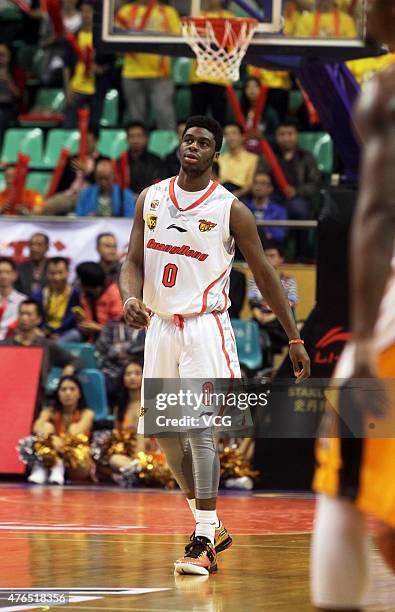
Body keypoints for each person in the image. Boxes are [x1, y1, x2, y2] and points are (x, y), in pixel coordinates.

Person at [120, 114, 310, 575]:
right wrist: (130, 295)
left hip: (206, 326)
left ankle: (203, 540)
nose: (193, 146)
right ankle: (211, 525)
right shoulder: (151, 197)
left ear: (216, 155)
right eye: (188, 139)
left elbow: (265, 274)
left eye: (204, 142)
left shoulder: (230, 209)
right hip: (160, 327)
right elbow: (132, 260)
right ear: (179, 146)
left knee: (198, 431)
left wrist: (294, 334)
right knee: (166, 441)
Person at [311, 3, 395, 610]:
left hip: (391, 330)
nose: (358, 8)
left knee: (341, 489)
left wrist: (362, 339)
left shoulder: (386, 92)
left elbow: (375, 212)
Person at [1, 298, 83, 402]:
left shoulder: (46, 346)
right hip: (7, 396)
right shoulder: (4, 345)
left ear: (38, 319)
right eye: (21, 314)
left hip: (37, 398)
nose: (24, 318)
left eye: (29, 314)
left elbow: (78, 361)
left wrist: (70, 368)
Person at [115, 0, 179, 130]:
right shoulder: (125, 12)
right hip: (132, 73)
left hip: (161, 75)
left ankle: (169, 147)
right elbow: (114, 38)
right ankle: (140, 150)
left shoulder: (168, 12)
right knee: (137, 122)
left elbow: (177, 40)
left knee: (164, 115)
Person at [21, 375, 94, 485]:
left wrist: (58, 441)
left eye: (72, 389)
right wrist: (53, 438)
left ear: (79, 394)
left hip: (75, 463)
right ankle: (52, 466)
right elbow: (36, 428)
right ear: (58, 393)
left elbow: (76, 432)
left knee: (73, 429)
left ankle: (56, 465)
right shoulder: (49, 411)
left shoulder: (87, 413)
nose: (67, 393)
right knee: (46, 427)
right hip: (52, 455)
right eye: (63, 389)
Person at [63, 1, 114, 130]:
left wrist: (100, 69)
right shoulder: (73, 37)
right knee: (70, 128)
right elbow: (66, 65)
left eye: (89, 11)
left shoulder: (103, 38)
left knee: (93, 128)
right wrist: (67, 89)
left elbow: (110, 64)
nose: (86, 15)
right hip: (76, 88)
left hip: (96, 90)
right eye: (83, 12)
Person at [248, 241, 298, 364]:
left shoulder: (289, 280)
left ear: (281, 259)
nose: (268, 259)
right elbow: (253, 300)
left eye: (272, 256)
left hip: (280, 321)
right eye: (265, 256)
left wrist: (273, 315)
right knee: (253, 332)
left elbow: (292, 301)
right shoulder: (254, 279)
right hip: (260, 318)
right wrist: (260, 315)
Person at [189, 0, 234, 125]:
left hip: (220, 77)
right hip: (199, 76)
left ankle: (220, 143)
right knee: (196, 121)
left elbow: (234, 44)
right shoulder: (197, 16)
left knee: (219, 120)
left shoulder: (229, 17)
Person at [44, 129, 105, 215]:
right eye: (81, 141)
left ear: (96, 141)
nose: (83, 145)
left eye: (87, 141)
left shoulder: (103, 160)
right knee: (45, 206)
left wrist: (88, 172)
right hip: (70, 194)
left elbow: (104, 183)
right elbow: (61, 182)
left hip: (91, 195)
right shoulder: (72, 159)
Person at [95, 320, 145, 404]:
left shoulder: (148, 327)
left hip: (142, 367)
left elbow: (143, 347)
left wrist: (118, 349)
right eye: (129, 374)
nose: (132, 377)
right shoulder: (111, 327)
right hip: (114, 374)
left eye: (136, 374)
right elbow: (102, 353)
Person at [33, 257, 81, 341]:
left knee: (75, 334)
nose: (56, 277)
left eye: (60, 273)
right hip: (44, 335)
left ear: (68, 273)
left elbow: (80, 323)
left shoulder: (77, 295)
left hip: (67, 336)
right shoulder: (39, 296)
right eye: (52, 273)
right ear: (46, 274)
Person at [76, 261, 123, 342]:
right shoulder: (85, 295)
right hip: (92, 341)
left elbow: (122, 327)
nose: (77, 282)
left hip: (114, 341)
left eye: (79, 278)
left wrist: (98, 328)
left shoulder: (114, 293)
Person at [244, 171, 288, 242]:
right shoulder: (244, 208)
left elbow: (281, 234)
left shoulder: (279, 210)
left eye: (263, 183)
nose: (258, 186)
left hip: (271, 244)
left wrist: (266, 233)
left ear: (270, 188)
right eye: (255, 183)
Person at [122, 122, 164, 195]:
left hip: (149, 199)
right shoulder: (120, 161)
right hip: (125, 201)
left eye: (139, 136)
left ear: (146, 138)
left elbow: (158, 184)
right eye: (132, 136)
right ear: (127, 139)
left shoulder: (156, 161)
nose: (135, 140)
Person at [241, 76, 280, 155]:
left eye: (255, 86)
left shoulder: (270, 113)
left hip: (264, 152)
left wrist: (262, 136)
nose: (252, 90)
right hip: (243, 150)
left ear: (261, 90)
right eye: (248, 87)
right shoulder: (241, 111)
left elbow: (277, 137)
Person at [218, 123, 259, 199]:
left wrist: (234, 195)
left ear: (242, 136)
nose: (230, 138)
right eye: (227, 134)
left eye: (233, 133)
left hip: (243, 196)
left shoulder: (253, 159)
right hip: (220, 195)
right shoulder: (219, 159)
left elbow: (250, 184)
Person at [0, 257, 27, 341]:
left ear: (15, 275)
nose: (3, 276)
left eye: (7, 272)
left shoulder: (23, 301)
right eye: (0, 272)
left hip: (13, 346)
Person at [0, 44, 20, 146]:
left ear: (9, 57)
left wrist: (8, 81)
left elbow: (18, 94)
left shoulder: (15, 72)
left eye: (3, 55)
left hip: (8, 107)